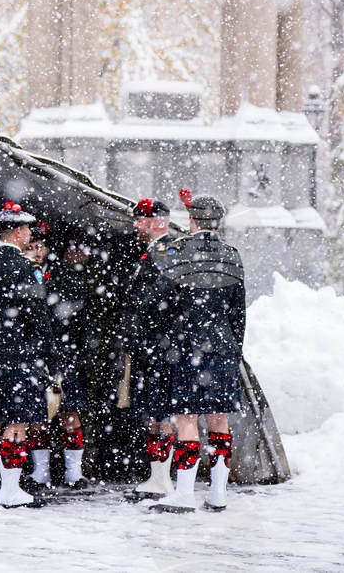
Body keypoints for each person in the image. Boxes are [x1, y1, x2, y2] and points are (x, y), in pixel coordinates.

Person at [153, 191, 245, 513]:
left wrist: (165, 343)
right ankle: (218, 494)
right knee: (218, 419)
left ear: (191, 220)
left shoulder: (177, 253)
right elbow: (238, 313)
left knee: (186, 418)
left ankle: (184, 494)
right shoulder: (232, 255)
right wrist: (234, 350)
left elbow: (163, 307)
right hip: (222, 350)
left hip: (187, 349)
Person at [0, 202, 55, 508]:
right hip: (19, 357)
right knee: (17, 423)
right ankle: (10, 491)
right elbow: (37, 315)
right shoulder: (24, 267)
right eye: (27, 229)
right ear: (18, 232)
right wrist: (49, 353)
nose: (30, 233)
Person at [21, 224, 89, 493]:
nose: (36, 252)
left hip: (65, 353)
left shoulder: (66, 278)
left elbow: (82, 322)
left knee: (69, 413)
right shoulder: (20, 275)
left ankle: (74, 473)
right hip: (33, 356)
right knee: (38, 414)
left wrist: (81, 355)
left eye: (40, 246)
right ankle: (40, 473)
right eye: (30, 247)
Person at [120, 198, 180, 501]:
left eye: (141, 220)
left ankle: (162, 479)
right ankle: (158, 477)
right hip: (153, 347)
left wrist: (143, 336)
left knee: (161, 414)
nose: (136, 226)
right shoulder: (153, 252)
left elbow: (159, 302)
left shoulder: (165, 252)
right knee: (156, 413)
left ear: (157, 222)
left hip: (159, 348)